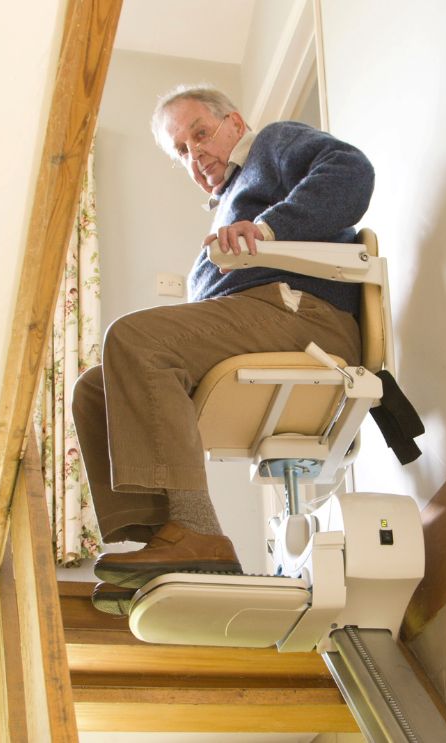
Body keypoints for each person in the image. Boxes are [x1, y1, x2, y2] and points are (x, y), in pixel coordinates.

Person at [72, 84, 374, 615]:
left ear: (234, 123)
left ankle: (197, 533)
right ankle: (165, 536)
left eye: (200, 133)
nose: (195, 153)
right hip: (260, 319)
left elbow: (351, 171)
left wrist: (269, 228)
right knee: (96, 388)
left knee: (134, 338)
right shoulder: (227, 205)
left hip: (302, 316)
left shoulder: (273, 144)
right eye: (181, 151)